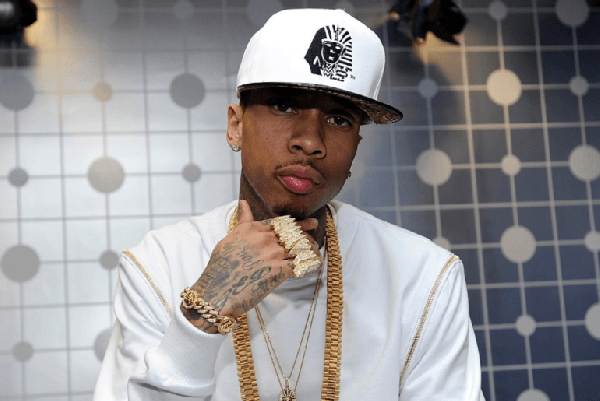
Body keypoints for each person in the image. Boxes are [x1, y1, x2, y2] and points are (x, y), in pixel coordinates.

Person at [94, 8, 484, 401]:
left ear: (355, 147)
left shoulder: (423, 277)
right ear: (236, 125)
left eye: (339, 119)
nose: (311, 141)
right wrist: (204, 313)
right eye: (284, 106)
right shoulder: (158, 265)